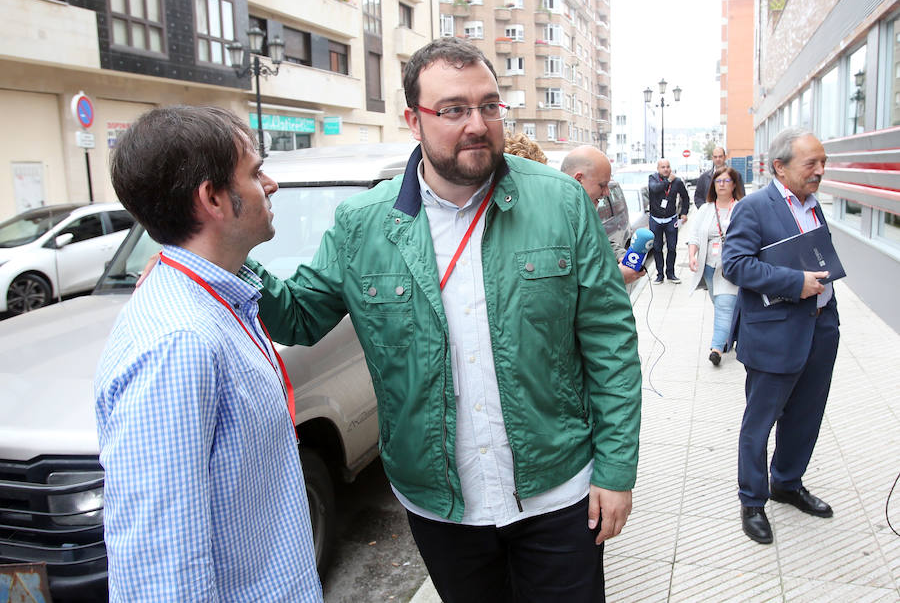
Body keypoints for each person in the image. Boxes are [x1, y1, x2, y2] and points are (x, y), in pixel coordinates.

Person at [249, 38, 642, 602]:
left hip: (559, 493)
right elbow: (299, 316)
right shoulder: (364, 225)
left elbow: (611, 343)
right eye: (453, 109)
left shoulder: (561, 203)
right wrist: (221, 260)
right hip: (441, 507)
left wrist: (615, 469)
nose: (477, 124)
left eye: (488, 105)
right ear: (414, 119)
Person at [94, 106, 323, 601]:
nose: (271, 184)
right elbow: (161, 570)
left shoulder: (217, 301)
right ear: (213, 198)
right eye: (255, 172)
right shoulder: (179, 343)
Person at [722, 128, 838, 545]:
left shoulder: (814, 205)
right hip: (774, 336)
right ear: (780, 167)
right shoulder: (754, 208)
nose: (820, 171)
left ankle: (786, 483)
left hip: (820, 330)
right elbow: (734, 265)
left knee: (806, 416)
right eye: (812, 163)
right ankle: (752, 501)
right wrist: (795, 282)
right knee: (760, 423)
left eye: (822, 163)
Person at [686, 165, 746, 365]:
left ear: (734, 184)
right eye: (718, 181)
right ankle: (728, 337)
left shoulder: (741, 208)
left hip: (730, 267)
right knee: (720, 303)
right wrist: (692, 256)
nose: (721, 185)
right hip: (709, 267)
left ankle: (716, 349)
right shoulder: (706, 209)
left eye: (726, 181)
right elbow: (694, 235)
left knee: (724, 305)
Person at [561, 145, 645, 284]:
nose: (607, 193)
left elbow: (598, 240)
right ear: (579, 179)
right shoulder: (553, 218)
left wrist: (620, 254)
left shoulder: (582, 212)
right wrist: (616, 277)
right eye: (602, 185)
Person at [647, 158, 690, 284]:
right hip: (655, 220)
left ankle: (670, 273)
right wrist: (667, 181)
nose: (666, 169)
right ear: (658, 169)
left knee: (672, 247)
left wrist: (684, 213)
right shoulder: (653, 179)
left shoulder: (677, 182)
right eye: (663, 167)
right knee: (657, 247)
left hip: (671, 219)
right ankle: (659, 274)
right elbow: (655, 189)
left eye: (668, 167)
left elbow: (685, 198)